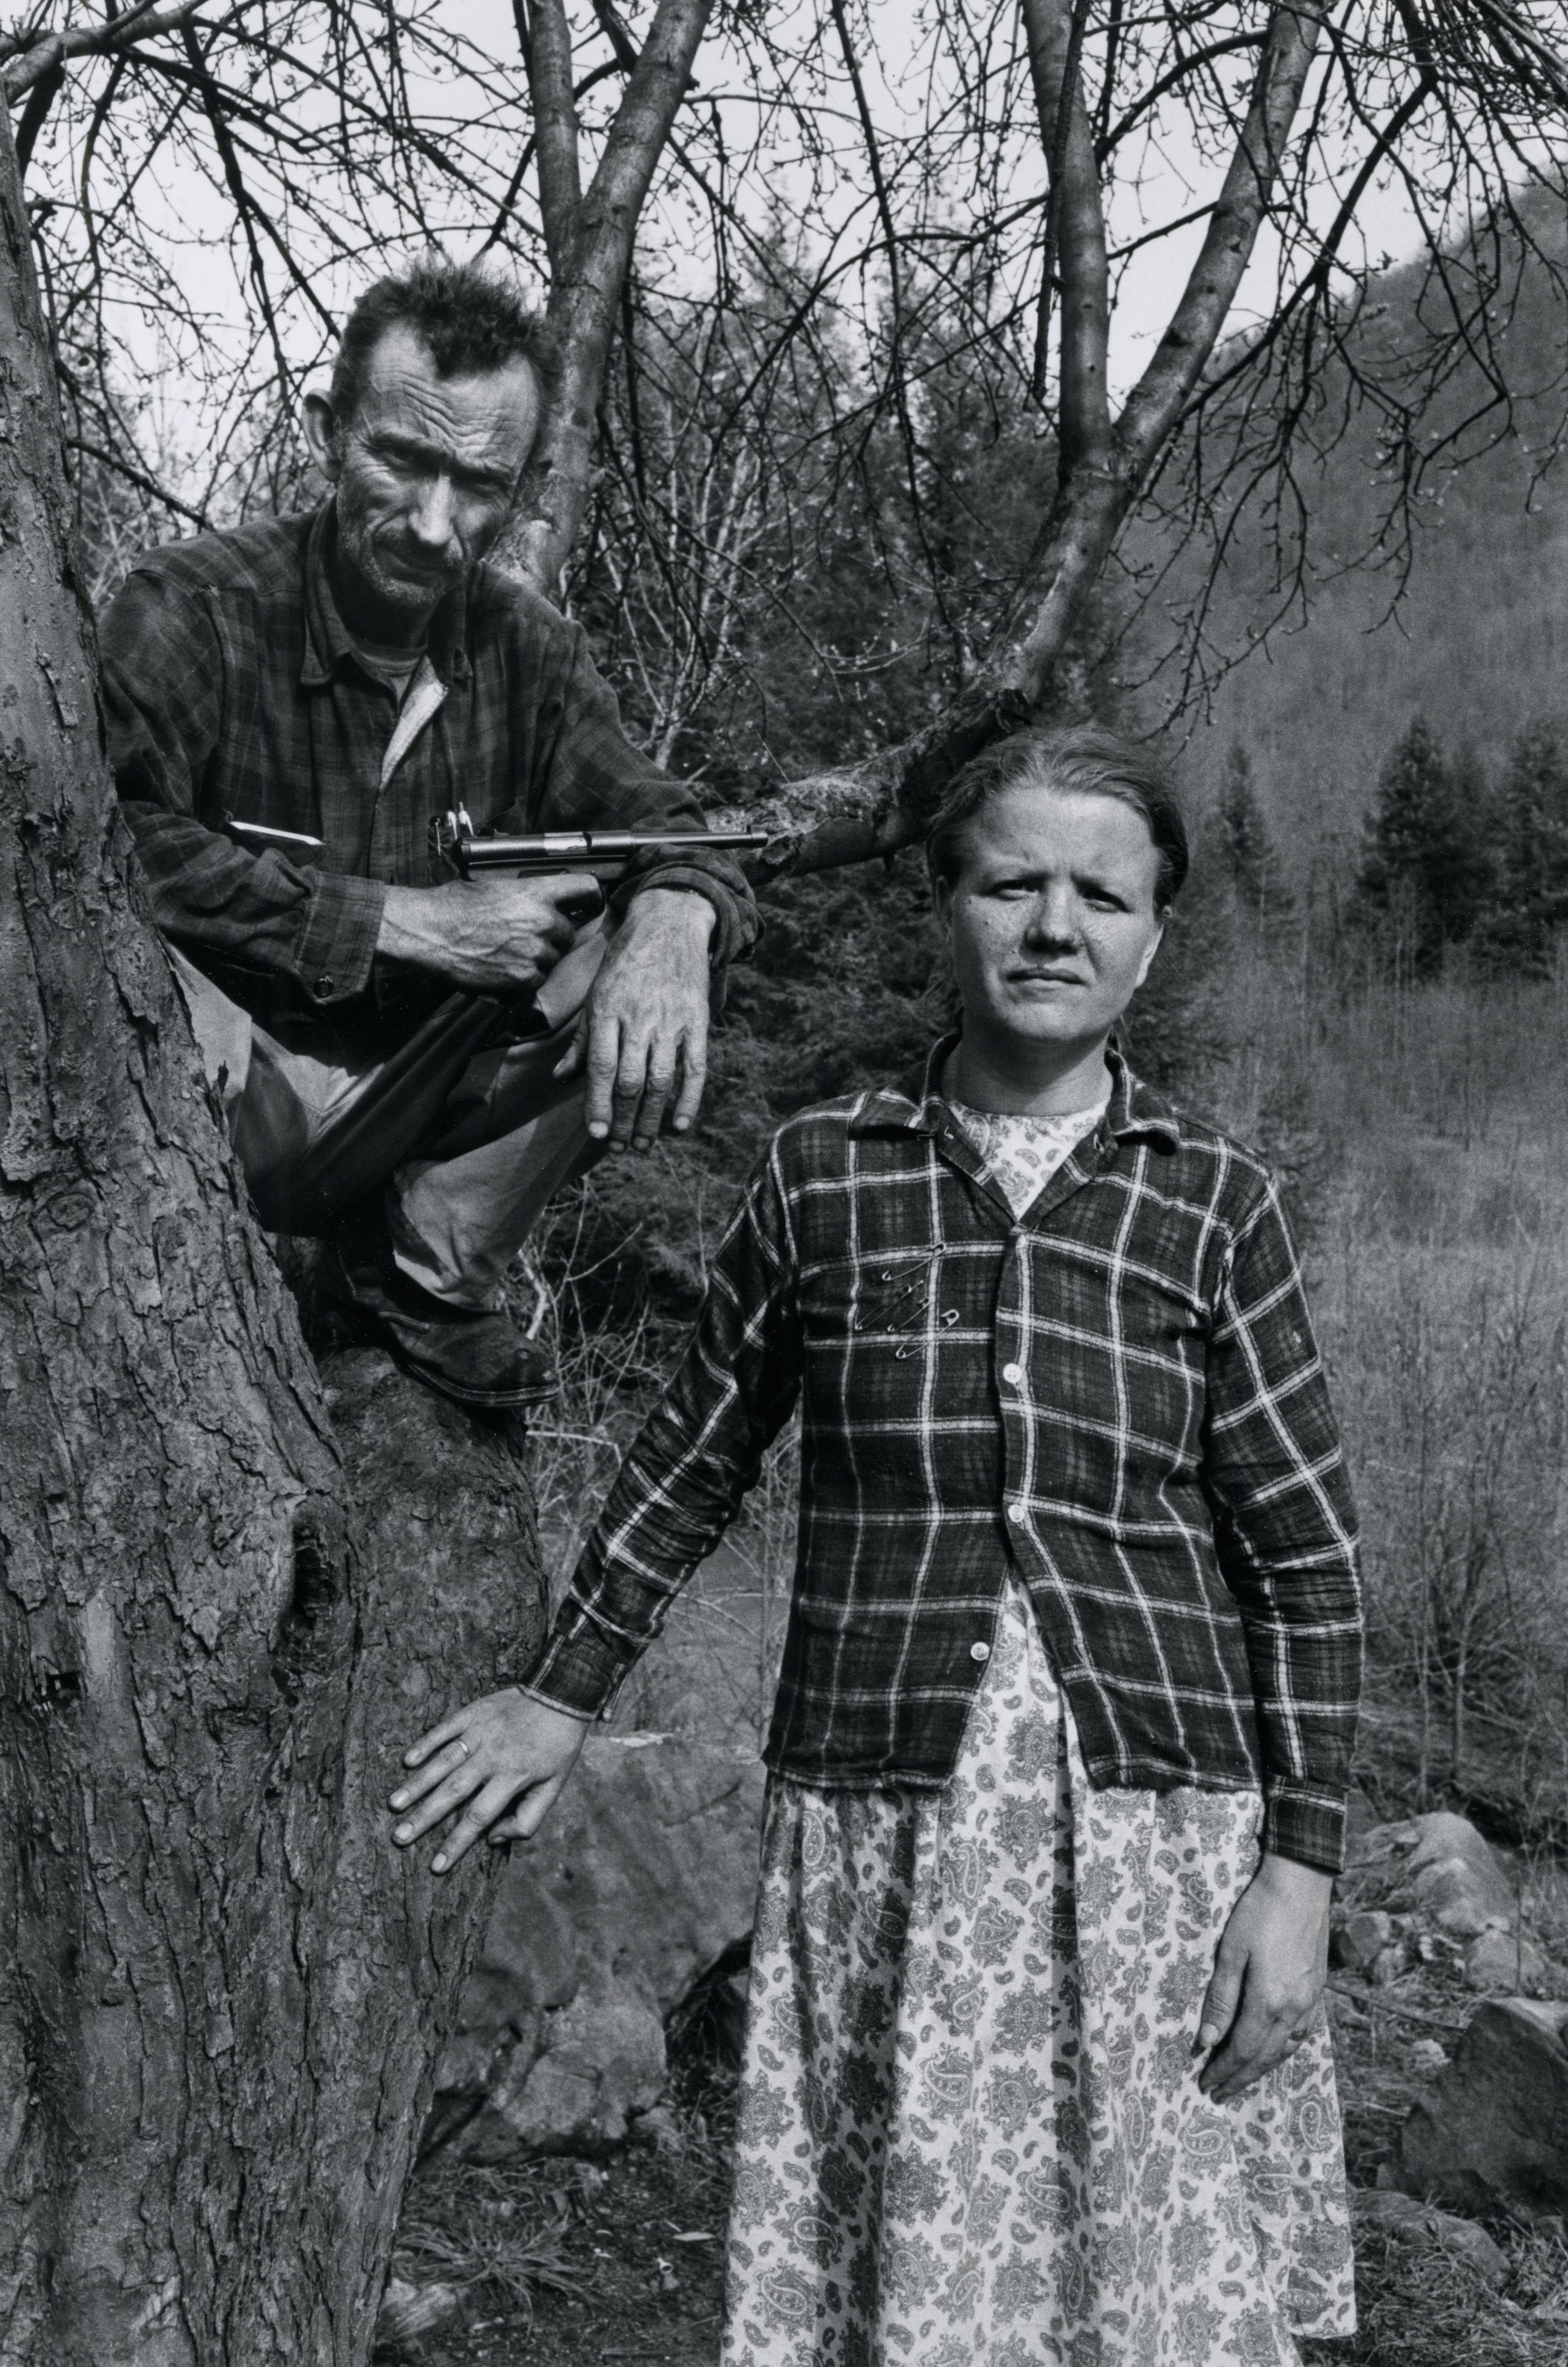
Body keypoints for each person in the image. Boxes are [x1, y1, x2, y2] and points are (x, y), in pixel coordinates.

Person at [388, 723, 1362, 2363]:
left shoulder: (1212, 1202)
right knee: (901, 2291)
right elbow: (692, 1457)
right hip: (881, 1831)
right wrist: (560, 1694)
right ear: (948, 907)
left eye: (1102, 897)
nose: (1055, 926)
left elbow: (1304, 1561)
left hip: (1162, 1848)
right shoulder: (826, 1176)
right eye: (1013, 884)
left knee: (1148, 2295)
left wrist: (1303, 1873)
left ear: (1151, 937)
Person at [102, 254, 756, 1411]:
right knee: (140, 961)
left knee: (660, 925)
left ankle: (421, 1270)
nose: (434, 523)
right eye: (402, 460)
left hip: (409, 1106)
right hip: (224, 1105)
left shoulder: (530, 649)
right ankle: (169, 1298)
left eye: (478, 483)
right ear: (327, 431)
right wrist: (400, 923)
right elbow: (100, 848)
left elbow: (669, 826)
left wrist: (673, 919)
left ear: (522, 485)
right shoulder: (190, 608)